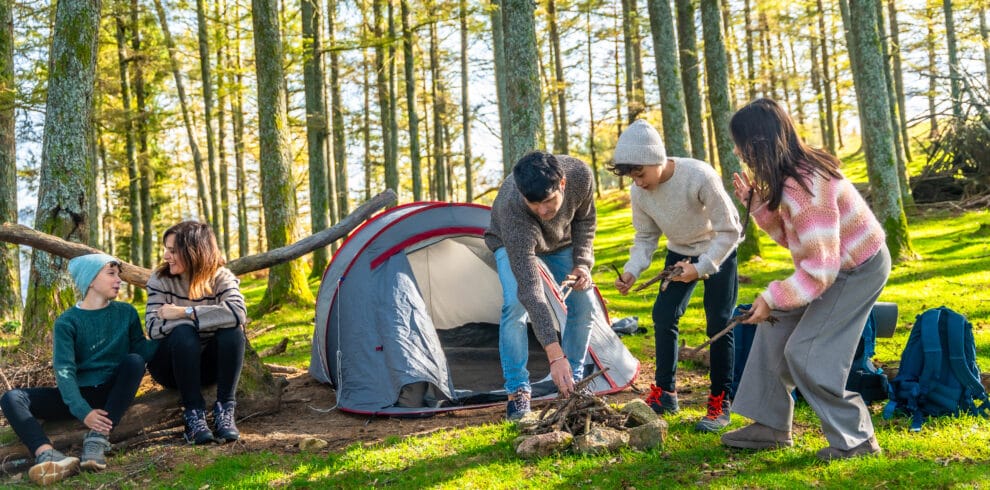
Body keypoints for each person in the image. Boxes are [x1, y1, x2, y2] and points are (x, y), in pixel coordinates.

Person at [721, 98, 890, 461]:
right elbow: (799, 240)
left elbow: (820, 270)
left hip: (857, 268)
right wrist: (760, 207)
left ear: (757, 143)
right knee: (773, 327)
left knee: (808, 353)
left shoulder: (807, 185)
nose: (736, 151)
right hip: (835, 265)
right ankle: (770, 426)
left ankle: (856, 439)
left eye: (739, 143)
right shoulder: (791, 175)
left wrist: (771, 296)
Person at [608, 119, 742, 432]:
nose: (637, 182)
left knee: (719, 322)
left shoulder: (698, 175)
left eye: (640, 174)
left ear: (656, 159)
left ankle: (721, 400)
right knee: (663, 314)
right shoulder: (640, 193)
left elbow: (730, 230)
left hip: (718, 249)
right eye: (631, 176)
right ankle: (665, 393)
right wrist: (631, 270)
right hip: (680, 251)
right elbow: (645, 237)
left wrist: (702, 267)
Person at [0, 254, 156, 485]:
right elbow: (64, 371)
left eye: (118, 274)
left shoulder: (127, 312)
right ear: (91, 280)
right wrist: (84, 412)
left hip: (112, 392)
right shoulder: (67, 322)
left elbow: (143, 351)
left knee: (133, 361)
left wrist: (170, 326)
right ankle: (47, 454)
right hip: (78, 396)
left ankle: (97, 439)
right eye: (111, 273)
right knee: (12, 398)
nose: (118, 280)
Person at [485, 150, 597, 420]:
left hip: (562, 241)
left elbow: (585, 220)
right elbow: (531, 291)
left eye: (548, 201)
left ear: (562, 184)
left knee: (585, 303)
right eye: (534, 204)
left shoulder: (580, 175)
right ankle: (518, 390)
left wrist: (582, 263)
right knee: (515, 304)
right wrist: (554, 354)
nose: (542, 210)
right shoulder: (514, 209)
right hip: (511, 242)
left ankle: (573, 385)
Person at [145, 221, 247, 445]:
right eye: (166, 249)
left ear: (193, 251)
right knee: (183, 333)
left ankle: (224, 411)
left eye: (172, 251)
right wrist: (207, 320)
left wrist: (184, 312)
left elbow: (238, 313)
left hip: (209, 367)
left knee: (233, 332)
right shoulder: (160, 280)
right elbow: (153, 327)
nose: (166, 256)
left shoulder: (222, 277)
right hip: (171, 367)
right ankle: (193, 415)